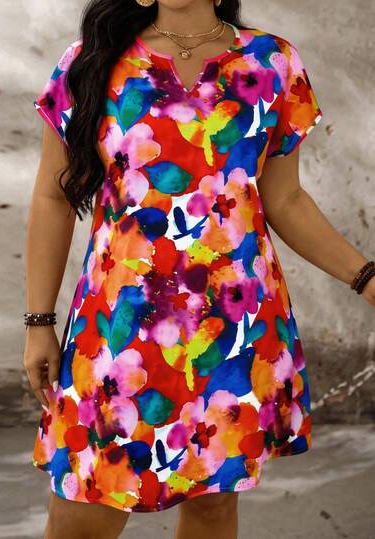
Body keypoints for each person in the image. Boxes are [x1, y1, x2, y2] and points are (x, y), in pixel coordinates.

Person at [23, 0, 375, 538]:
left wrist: (364, 276)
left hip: (231, 334)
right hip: (119, 334)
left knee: (212, 507)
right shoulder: (92, 61)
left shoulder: (271, 62)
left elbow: (286, 201)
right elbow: (53, 196)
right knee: (85, 510)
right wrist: (38, 321)